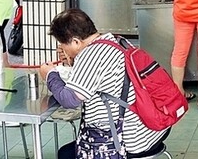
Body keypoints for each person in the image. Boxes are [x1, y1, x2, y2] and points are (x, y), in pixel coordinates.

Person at [40, 9, 169, 158]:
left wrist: (49, 75)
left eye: (63, 45)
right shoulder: (116, 40)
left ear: (75, 42)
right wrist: (74, 61)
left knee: (65, 155)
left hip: (130, 141)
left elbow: (69, 100)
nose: (63, 49)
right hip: (154, 128)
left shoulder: (91, 56)